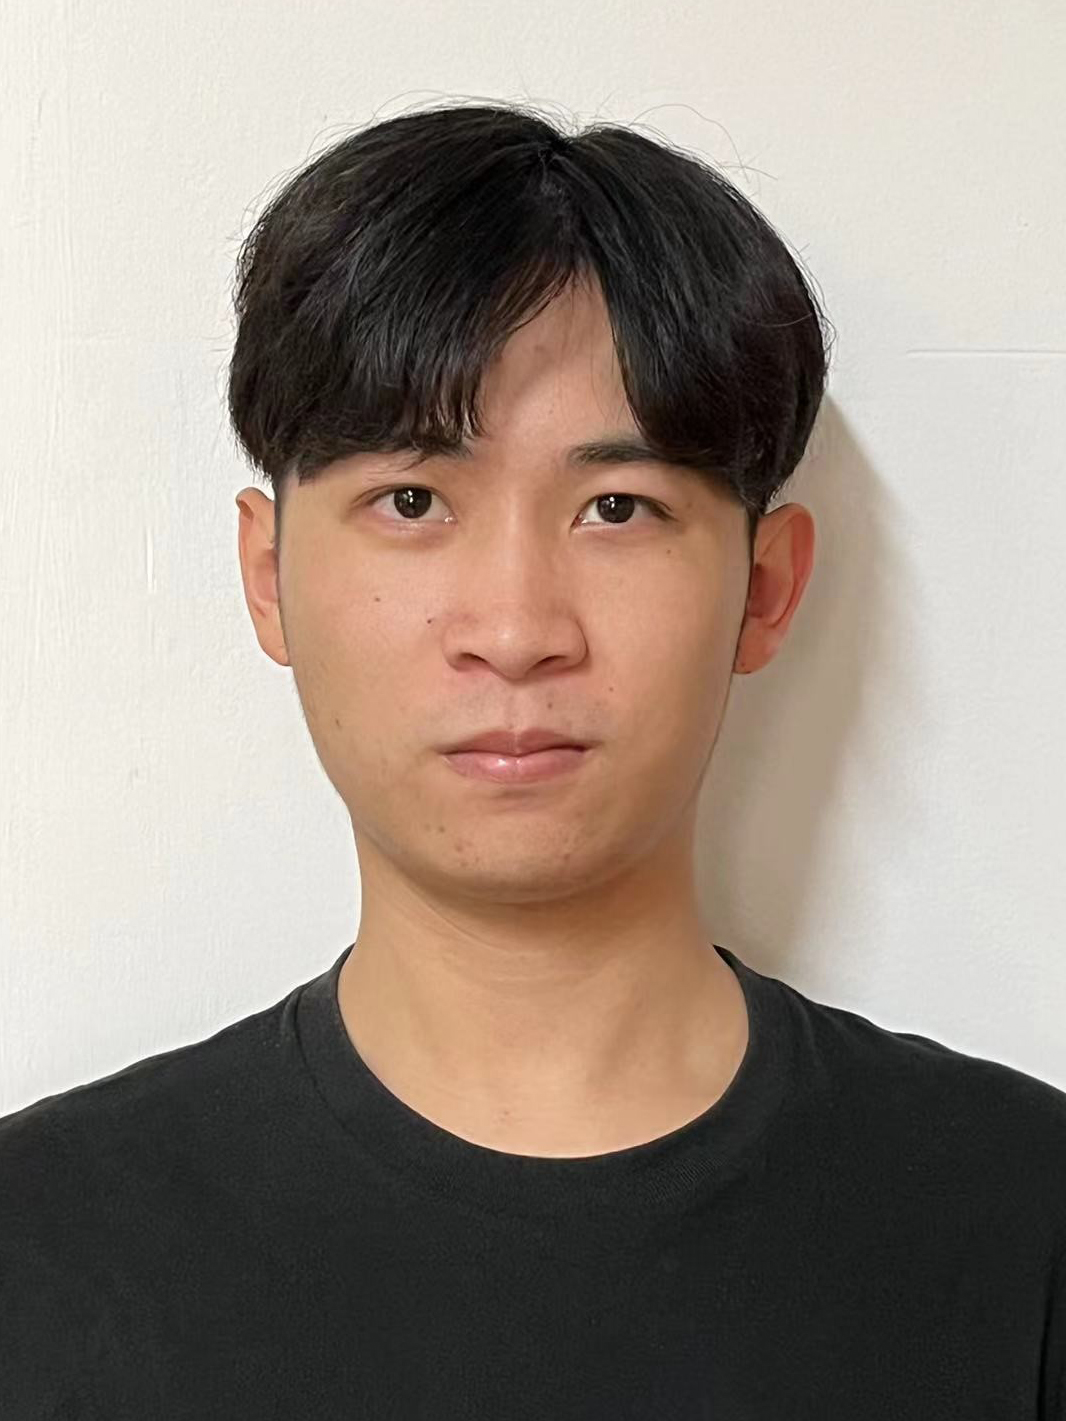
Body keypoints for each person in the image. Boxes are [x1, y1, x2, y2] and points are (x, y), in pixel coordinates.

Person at [1, 99, 1063, 1418]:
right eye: (411, 500)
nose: (514, 630)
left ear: (767, 588)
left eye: (617, 507)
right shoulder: (40, 1255)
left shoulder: (1022, 1225)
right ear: (268, 577)